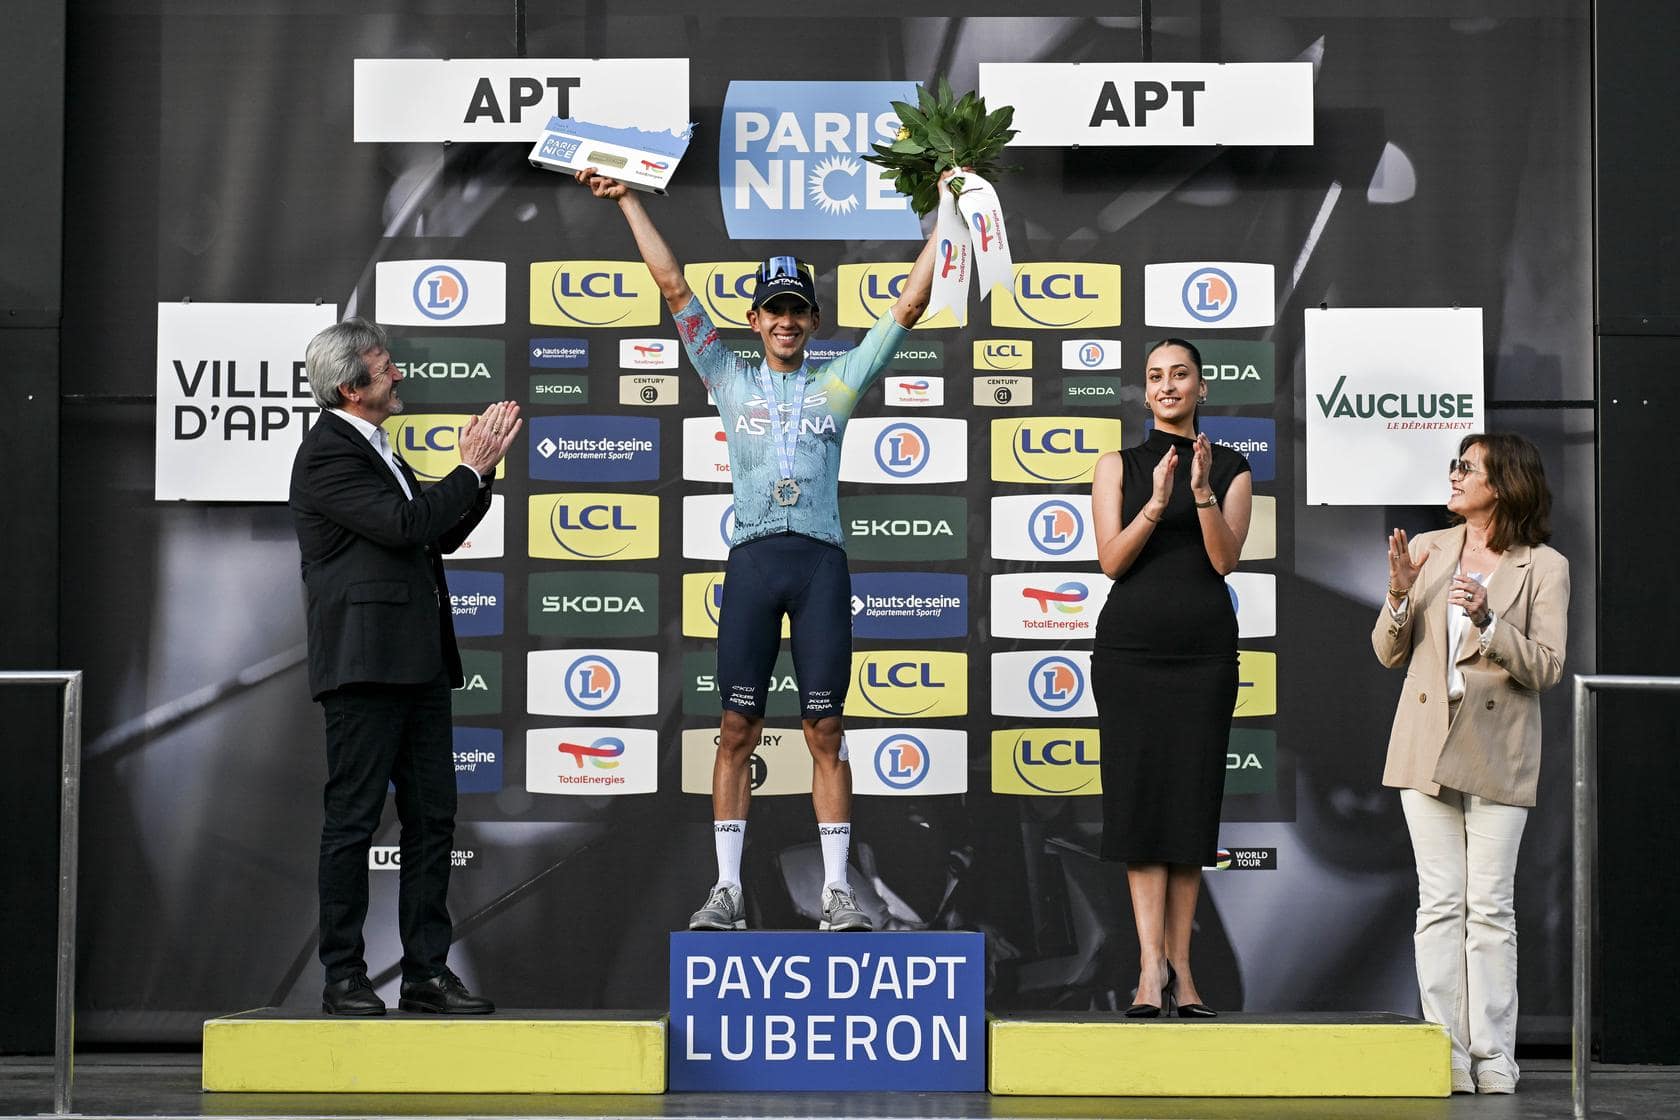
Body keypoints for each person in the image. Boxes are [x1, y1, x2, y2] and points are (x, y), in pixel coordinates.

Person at [575, 165, 948, 933]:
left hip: (818, 565)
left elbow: (910, 304)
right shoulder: (725, 373)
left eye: (797, 309)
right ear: (754, 319)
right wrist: (629, 201)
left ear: (813, 321)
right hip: (752, 564)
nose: (785, 320)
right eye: (774, 309)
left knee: (826, 732)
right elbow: (673, 285)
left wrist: (950, 210)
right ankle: (727, 891)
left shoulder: (841, 380)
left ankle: (838, 891)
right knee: (736, 731)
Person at [291, 317, 520, 1015]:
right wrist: (467, 470)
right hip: (363, 668)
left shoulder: (377, 448)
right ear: (350, 387)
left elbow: (436, 533)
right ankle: (343, 976)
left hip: (418, 664)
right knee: (353, 822)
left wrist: (479, 476)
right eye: (385, 366)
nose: (398, 374)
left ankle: (425, 974)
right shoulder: (327, 453)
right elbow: (405, 526)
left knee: (433, 820)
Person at [1373, 432, 1569, 1094]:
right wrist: (1398, 596)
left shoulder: (1545, 566)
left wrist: (1489, 623)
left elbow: (1546, 667)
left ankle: (1494, 1055)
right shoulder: (1427, 549)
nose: (1454, 476)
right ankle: (1447, 1051)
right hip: (1425, 743)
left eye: (1467, 468)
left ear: (1504, 484)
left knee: (1489, 908)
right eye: (1454, 466)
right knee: (1439, 904)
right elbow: (1387, 652)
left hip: (1498, 747)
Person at [1089, 338, 1253, 1017]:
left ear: (1201, 387)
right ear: (1145, 390)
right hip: (1129, 654)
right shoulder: (1117, 466)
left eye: (1179, 374)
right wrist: (1156, 501)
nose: (1167, 386)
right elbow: (1111, 562)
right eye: (1155, 376)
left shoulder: (1233, 467)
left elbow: (1224, 561)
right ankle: (1148, 966)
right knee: (1140, 808)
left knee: (1189, 810)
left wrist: (1201, 492)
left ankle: (1184, 970)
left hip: (1204, 657)